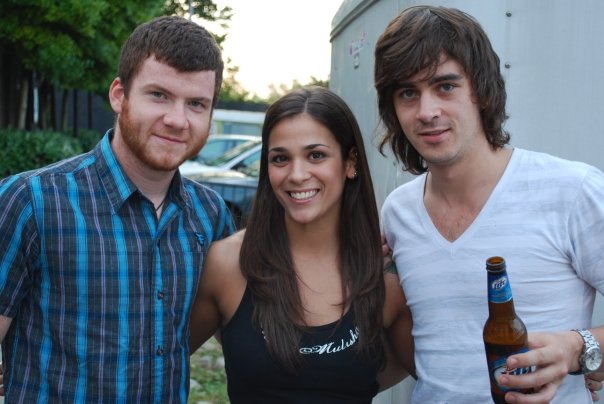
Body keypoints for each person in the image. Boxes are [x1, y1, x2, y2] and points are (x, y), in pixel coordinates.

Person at [374, 5, 604, 404]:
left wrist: (578, 349)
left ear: (480, 89)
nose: (427, 112)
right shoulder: (398, 213)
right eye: (408, 93)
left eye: (445, 86)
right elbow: (429, 354)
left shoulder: (572, 190)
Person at [0, 16, 234, 402]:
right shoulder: (30, 201)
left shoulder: (210, 215)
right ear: (118, 95)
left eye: (196, 103)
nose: (177, 119)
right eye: (158, 94)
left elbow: (250, 334)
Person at [189, 87, 413, 403]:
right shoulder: (228, 265)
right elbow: (161, 361)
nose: (296, 174)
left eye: (316, 155)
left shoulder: (385, 280)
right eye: (280, 158)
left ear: (350, 163)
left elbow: (430, 372)